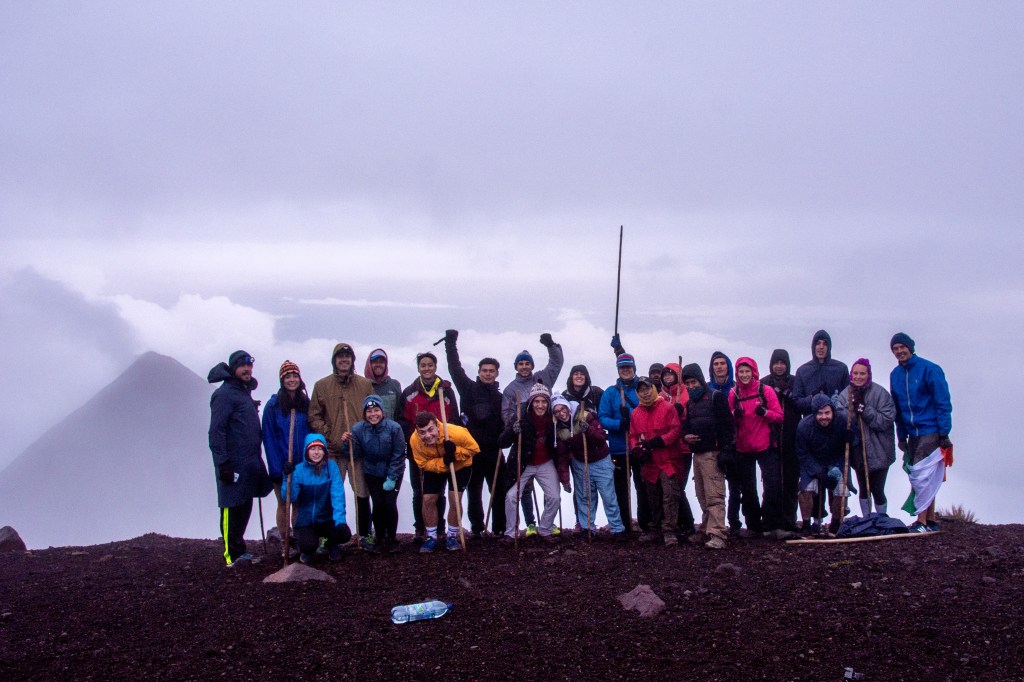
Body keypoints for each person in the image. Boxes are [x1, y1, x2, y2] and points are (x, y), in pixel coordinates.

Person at [208, 350, 272, 567]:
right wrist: (222, 463)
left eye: (250, 367)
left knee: (244, 505)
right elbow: (216, 431)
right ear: (233, 368)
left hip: (248, 462)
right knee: (230, 507)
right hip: (232, 463)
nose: (247, 370)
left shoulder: (241, 393)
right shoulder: (224, 394)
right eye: (242, 366)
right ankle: (231, 555)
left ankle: (239, 550)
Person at [444, 329, 507, 538]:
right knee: (474, 492)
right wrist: (450, 343)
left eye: (492, 370)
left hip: (494, 451)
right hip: (471, 451)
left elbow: (505, 423)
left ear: (497, 373)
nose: (488, 373)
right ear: (479, 372)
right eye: (484, 370)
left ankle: (499, 528)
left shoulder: (501, 397)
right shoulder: (468, 389)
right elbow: (455, 368)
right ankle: (478, 528)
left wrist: (503, 441)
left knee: (498, 491)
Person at [308, 343, 374, 541]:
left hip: (358, 450)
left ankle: (364, 534)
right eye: (340, 357)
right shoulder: (321, 386)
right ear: (334, 361)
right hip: (333, 451)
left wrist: (362, 436)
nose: (344, 360)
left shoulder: (364, 385)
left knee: (362, 493)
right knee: (329, 493)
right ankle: (327, 536)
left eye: (348, 356)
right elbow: (314, 417)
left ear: (353, 360)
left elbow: (373, 414)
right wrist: (332, 436)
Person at [889, 333, 953, 533]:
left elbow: (943, 402)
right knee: (924, 474)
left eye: (902, 347)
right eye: (895, 349)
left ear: (910, 347)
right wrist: (900, 435)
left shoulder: (929, 369)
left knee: (922, 476)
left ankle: (921, 522)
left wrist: (944, 433)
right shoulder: (895, 375)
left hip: (930, 430)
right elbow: (897, 409)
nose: (900, 351)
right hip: (911, 433)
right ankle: (930, 520)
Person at [397, 352, 460, 543]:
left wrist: (447, 443)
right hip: (418, 450)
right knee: (419, 490)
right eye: (423, 365)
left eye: (430, 365)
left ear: (435, 366)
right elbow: (402, 421)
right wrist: (415, 440)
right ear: (418, 368)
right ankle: (420, 529)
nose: (426, 368)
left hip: (440, 450)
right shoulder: (409, 393)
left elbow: (454, 420)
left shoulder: (446, 391)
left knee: (437, 490)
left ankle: (439, 528)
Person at [728, 357, 790, 539]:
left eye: (748, 371)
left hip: (766, 445)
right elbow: (729, 420)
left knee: (771, 486)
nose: (745, 375)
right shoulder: (734, 393)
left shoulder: (765, 390)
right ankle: (754, 526)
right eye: (741, 372)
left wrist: (765, 413)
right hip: (743, 447)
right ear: (737, 374)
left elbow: (779, 416)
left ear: (754, 372)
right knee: (748, 489)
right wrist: (734, 415)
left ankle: (773, 525)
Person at [551, 395, 625, 539]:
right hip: (580, 463)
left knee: (608, 496)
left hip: (601, 460)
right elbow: (561, 456)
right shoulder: (558, 430)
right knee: (585, 497)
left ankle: (617, 529)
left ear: (567, 407)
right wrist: (565, 479)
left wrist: (589, 430)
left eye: (562, 408)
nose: (561, 413)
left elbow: (602, 437)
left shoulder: (585, 416)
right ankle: (587, 528)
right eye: (556, 411)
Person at [679, 363, 734, 550]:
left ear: (701, 380)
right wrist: (685, 437)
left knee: (714, 495)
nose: (690, 386)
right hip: (697, 454)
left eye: (693, 382)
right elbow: (686, 427)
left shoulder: (716, 397)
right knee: (702, 495)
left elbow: (728, 426)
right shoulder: (690, 403)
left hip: (713, 453)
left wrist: (726, 451)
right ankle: (705, 528)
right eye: (687, 383)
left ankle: (718, 533)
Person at [499, 383, 563, 544]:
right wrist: (513, 430)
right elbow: (502, 442)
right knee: (511, 496)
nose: (540, 405)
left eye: (544, 402)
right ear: (531, 402)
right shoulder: (521, 417)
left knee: (554, 497)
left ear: (548, 403)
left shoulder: (553, 419)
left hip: (545, 462)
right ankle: (511, 533)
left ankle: (545, 529)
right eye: (536, 401)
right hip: (524, 463)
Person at [598, 351, 652, 536]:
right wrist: (619, 424)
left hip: (639, 447)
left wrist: (634, 423)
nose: (626, 370)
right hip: (618, 449)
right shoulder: (611, 392)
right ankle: (624, 526)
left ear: (634, 368)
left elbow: (652, 411)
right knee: (621, 488)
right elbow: (602, 417)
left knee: (643, 486)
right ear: (618, 370)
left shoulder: (644, 389)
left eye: (629, 367)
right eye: (622, 367)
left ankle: (646, 524)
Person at [409, 411, 479, 552]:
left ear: (437, 426)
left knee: (455, 499)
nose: (427, 435)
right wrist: (444, 462)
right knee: (428, 499)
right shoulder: (414, 440)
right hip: (434, 467)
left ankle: (452, 536)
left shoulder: (456, 432)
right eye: (422, 432)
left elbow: (474, 448)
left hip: (460, 466)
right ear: (417, 431)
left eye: (430, 430)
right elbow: (422, 463)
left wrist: (455, 452)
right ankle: (431, 537)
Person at [344, 395, 406, 553]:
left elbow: (399, 454)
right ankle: (379, 538)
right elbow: (355, 454)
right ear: (364, 414)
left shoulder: (394, 428)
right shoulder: (357, 429)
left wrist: (392, 477)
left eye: (376, 410)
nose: (373, 414)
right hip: (372, 472)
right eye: (369, 411)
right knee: (378, 504)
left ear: (382, 411)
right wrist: (348, 443)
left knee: (389, 504)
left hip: (393, 471)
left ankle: (392, 538)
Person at [835, 359, 896, 517]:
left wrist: (865, 410)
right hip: (858, 451)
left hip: (880, 450)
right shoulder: (845, 395)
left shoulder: (880, 393)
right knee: (863, 488)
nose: (858, 377)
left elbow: (886, 420)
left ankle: (881, 518)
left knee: (877, 488)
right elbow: (839, 417)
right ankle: (867, 518)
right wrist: (848, 424)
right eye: (855, 373)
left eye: (862, 373)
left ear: (868, 374)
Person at [629, 376, 685, 546]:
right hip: (649, 462)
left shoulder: (667, 408)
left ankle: (669, 531)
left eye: (647, 389)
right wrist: (637, 450)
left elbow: (676, 430)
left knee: (670, 495)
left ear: (653, 389)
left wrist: (659, 441)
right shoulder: (636, 413)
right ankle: (655, 529)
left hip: (668, 460)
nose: (645, 393)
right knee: (652, 496)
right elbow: (633, 436)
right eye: (641, 390)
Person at [280, 434, 352, 563]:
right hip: (307, 522)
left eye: (320, 448)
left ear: (324, 451)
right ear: (306, 451)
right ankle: (307, 551)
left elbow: (337, 495)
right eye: (313, 449)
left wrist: (340, 521)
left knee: (344, 533)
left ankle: (331, 544)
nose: (316, 452)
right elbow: (289, 498)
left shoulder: (332, 467)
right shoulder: (298, 470)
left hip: (326, 519)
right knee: (308, 545)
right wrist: (286, 478)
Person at [261, 360, 311, 543]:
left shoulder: (305, 403)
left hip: (301, 464)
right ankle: (285, 540)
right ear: (282, 380)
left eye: (295, 376)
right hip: (282, 465)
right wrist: (278, 466)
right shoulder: (273, 406)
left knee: (299, 502)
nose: (292, 380)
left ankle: (297, 538)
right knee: (284, 502)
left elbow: (310, 432)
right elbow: (268, 438)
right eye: (288, 376)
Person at [795, 395, 851, 535]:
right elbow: (802, 453)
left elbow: (848, 447)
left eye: (827, 413)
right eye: (820, 414)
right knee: (805, 489)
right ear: (814, 414)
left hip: (834, 462)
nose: (824, 417)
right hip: (812, 463)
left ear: (832, 411)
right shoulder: (804, 426)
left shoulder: (842, 421)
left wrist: (851, 437)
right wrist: (818, 472)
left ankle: (836, 524)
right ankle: (807, 525)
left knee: (841, 489)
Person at [760, 349, 801, 531]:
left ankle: (789, 521)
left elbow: (802, 403)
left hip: (792, 438)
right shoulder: (763, 384)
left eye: (782, 363)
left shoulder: (795, 383)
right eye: (776, 363)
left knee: (791, 481)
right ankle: (770, 522)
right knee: (771, 482)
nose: (779, 366)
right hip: (769, 439)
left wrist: (791, 397)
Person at [659, 363, 697, 539]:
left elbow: (693, 417)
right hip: (667, 448)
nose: (668, 377)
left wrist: (681, 413)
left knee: (678, 487)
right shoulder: (659, 396)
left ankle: (687, 524)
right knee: (672, 488)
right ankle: (682, 524)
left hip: (683, 448)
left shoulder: (686, 393)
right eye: (665, 375)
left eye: (671, 374)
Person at [792, 330, 850, 416]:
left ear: (829, 347)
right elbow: (796, 403)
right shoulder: (802, 371)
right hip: (810, 423)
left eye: (825, 344)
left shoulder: (841, 369)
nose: (821, 347)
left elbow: (848, 399)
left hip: (836, 423)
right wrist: (812, 397)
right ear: (813, 346)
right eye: (818, 343)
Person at [363, 349, 403, 421]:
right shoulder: (361, 385)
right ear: (369, 364)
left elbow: (401, 414)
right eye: (375, 362)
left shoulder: (395, 385)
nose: (378, 365)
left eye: (381, 362)